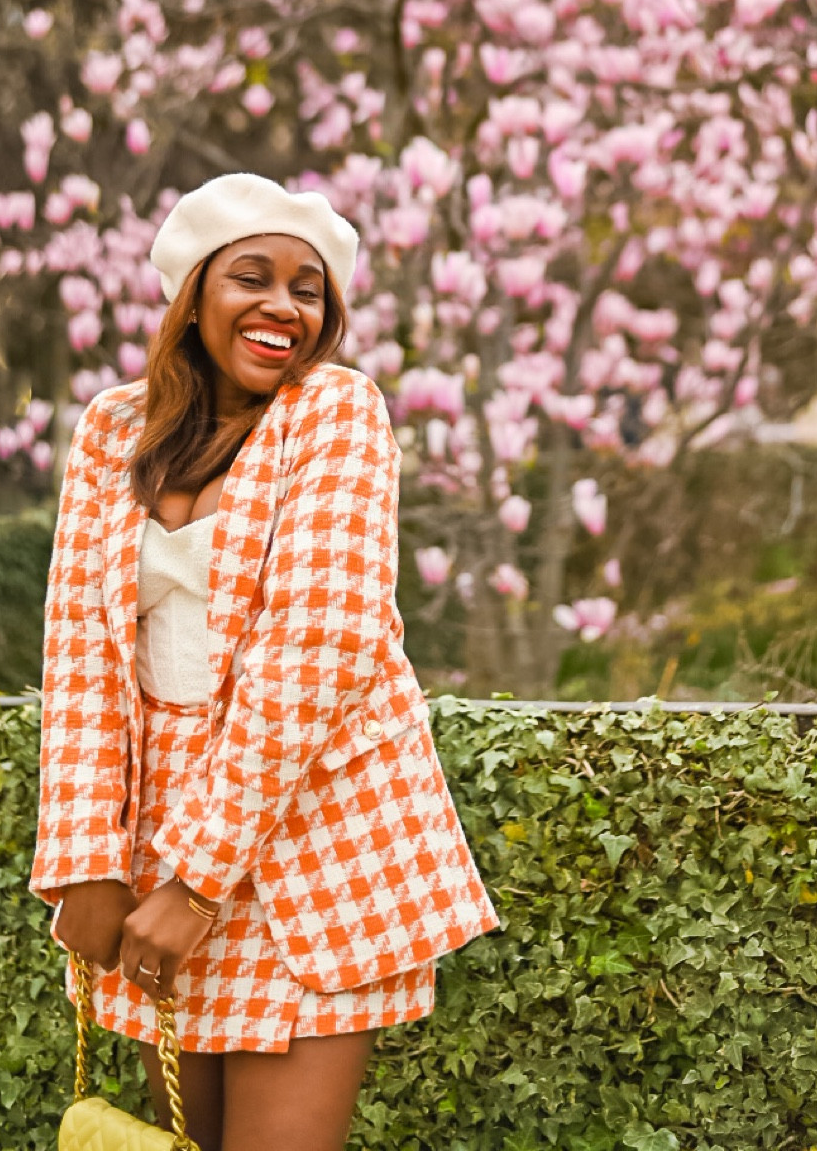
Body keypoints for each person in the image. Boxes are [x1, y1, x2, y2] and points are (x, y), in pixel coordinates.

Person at [32, 174, 498, 1151]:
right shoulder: (113, 429)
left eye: (309, 287)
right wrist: (85, 860)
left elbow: (316, 653)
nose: (285, 304)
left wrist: (195, 883)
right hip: (159, 835)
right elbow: (80, 651)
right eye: (254, 275)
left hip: (308, 833)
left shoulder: (337, 413)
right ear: (193, 293)